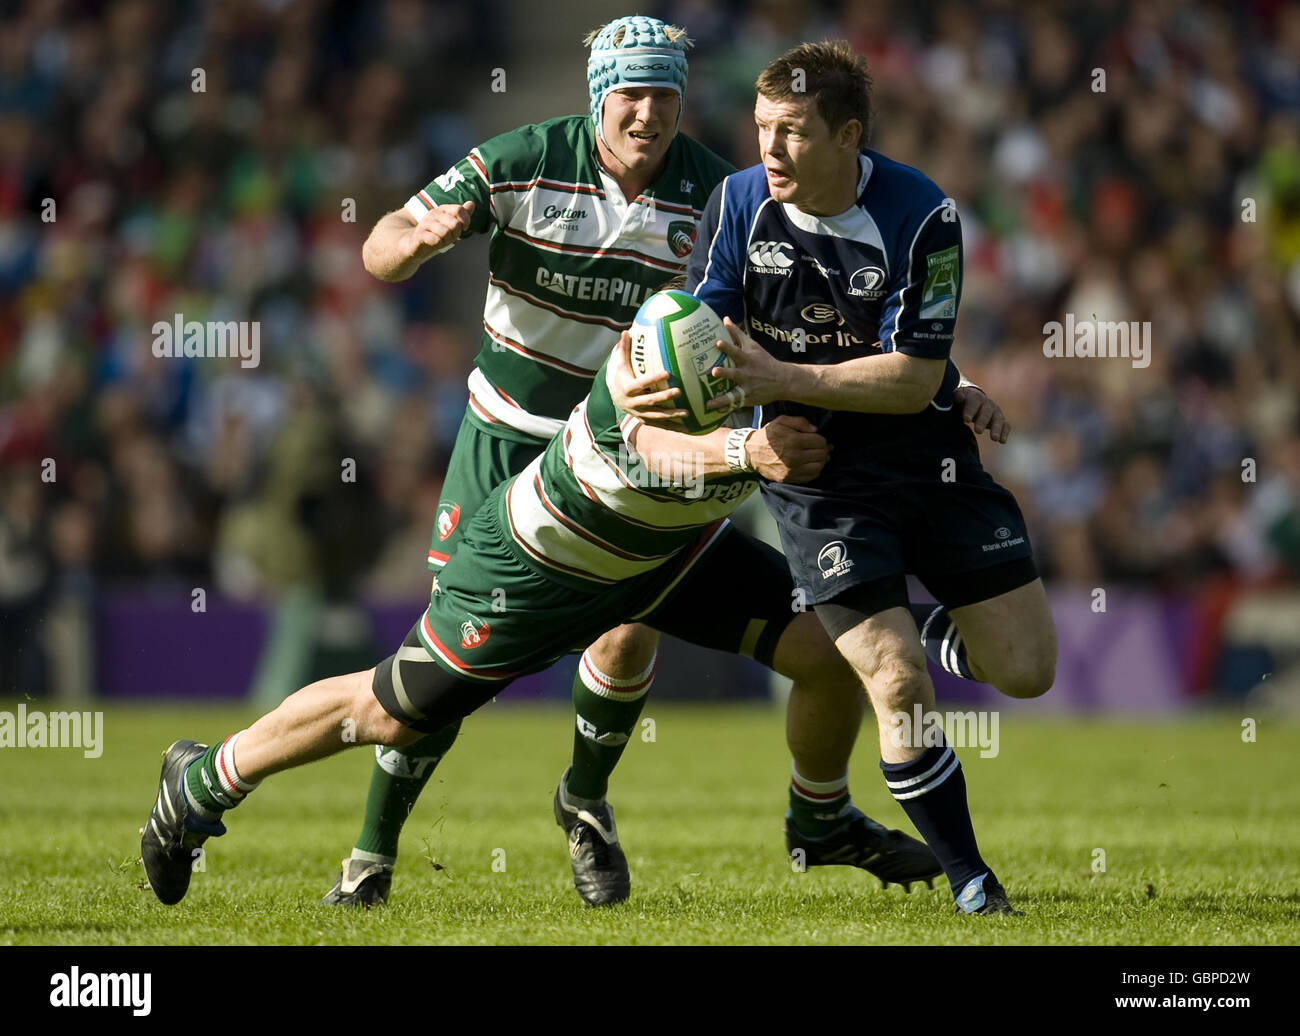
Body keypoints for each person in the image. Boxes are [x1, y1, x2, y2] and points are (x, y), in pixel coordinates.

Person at [144, 17, 1003, 911]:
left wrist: (942, 379)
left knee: (815, 654)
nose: (648, 114)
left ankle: (746, 812)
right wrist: (408, 241)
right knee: (414, 700)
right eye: (630, 94)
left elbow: (826, 309)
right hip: (546, 472)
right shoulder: (528, 160)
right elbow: (389, 237)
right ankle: (343, 841)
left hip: (653, 488)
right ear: (596, 97)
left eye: (665, 95)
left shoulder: (721, 198)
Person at [140, 342, 955, 908]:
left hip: (668, 547)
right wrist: (747, 450)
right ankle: (204, 781)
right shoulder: (653, 360)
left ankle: (817, 821)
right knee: (389, 710)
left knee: (829, 652)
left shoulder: (764, 328)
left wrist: (953, 391)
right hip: (541, 564)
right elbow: (651, 453)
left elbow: (878, 375)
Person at [618, 41, 1056, 915]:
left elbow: (914, 376)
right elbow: (699, 330)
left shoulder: (923, 214)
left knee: (1028, 671)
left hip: (927, 457)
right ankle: (973, 880)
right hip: (816, 473)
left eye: (792, 133)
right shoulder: (739, 203)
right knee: (892, 681)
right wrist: (646, 380)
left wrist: (810, 378)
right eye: (761, 130)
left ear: (847, 135)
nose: (770, 151)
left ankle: (931, 632)